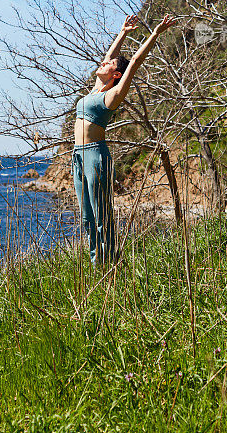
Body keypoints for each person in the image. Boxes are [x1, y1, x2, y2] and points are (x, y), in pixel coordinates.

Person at [73, 13, 176, 265]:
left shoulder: (113, 95)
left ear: (116, 75)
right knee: (87, 216)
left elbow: (135, 62)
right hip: (77, 157)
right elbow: (111, 57)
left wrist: (155, 34)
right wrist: (123, 32)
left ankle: (108, 264)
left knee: (101, 215)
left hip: (95, 156)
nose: (104, 63)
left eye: (109, 65)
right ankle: (96, 262)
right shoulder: (94, 90)